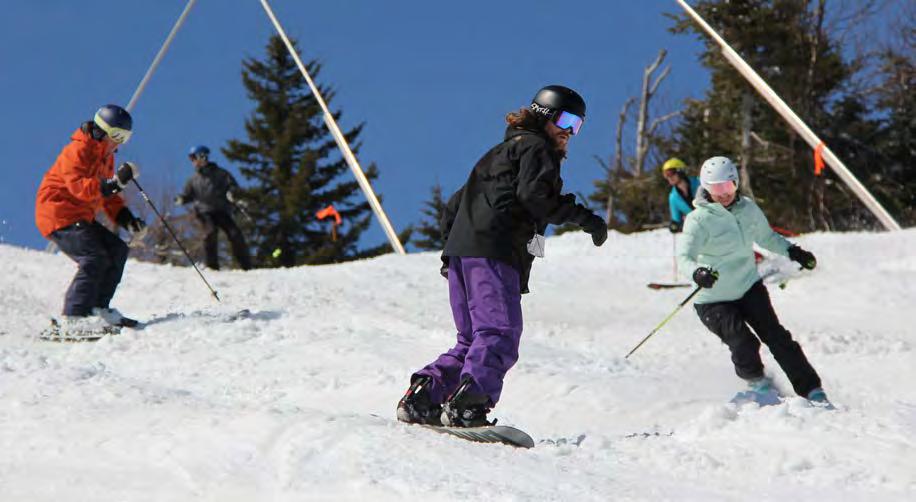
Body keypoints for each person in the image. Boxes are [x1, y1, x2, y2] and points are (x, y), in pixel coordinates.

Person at [397, 85, 608, 427]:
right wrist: (586, 219)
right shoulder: (537, 149)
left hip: (465, 254)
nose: (570, 132)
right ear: (544, 115)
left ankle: (424, 396)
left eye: (578, 125)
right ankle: (469, 404)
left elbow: (455, 205)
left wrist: (454, 253)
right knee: (500, 331)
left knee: (472, 339)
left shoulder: (500, 153)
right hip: (494, 251)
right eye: (566, 121)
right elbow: (536, 197)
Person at [677, 156, 829, 405]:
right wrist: (697, 273)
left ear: (736, 183)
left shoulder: (747, 209)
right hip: (713, 299)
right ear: (705, 188)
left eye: (728, 186)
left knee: (777, 338)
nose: (723, 194)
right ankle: (758, 384)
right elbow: (684, 257)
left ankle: (812, 390)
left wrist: (793, 252)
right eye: (716, 188)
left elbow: (766, 237)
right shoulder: (698, 220)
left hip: (748, 287)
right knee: (743, 342)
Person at [35, 104, 146, 334]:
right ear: (103, 130)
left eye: (125, 138)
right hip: (57, 213)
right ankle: (74, 316)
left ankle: (98, 309)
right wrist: (113, 183)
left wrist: (127, 219)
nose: (119, 143)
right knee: (94, 257)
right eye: (118, 136)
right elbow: (79, 187)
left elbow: (108, 198)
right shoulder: (77, 150)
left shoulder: (106, 158)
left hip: (79, 216)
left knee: (117, 250)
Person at [175, 145, 252, 271]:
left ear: (202, 157)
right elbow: (188, 195)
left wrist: (232, 192)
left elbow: (232, 186)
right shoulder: (193, 179)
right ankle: (212, 266)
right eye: (191, 159)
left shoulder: (221, 174)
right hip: (204, 212)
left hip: (221, 211)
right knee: (210, 232)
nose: (193, 162)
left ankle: (246, 266)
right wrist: (181, 199)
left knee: (235, 234)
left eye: (194, 158)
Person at [661, 157, 700, 233]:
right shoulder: (673, 197)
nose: (669, 177)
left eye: (671, 173)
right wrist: (674, 225)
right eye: (666, 175)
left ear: (680, 171)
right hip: (699, 230)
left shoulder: (699, 182)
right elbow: (676, 219)